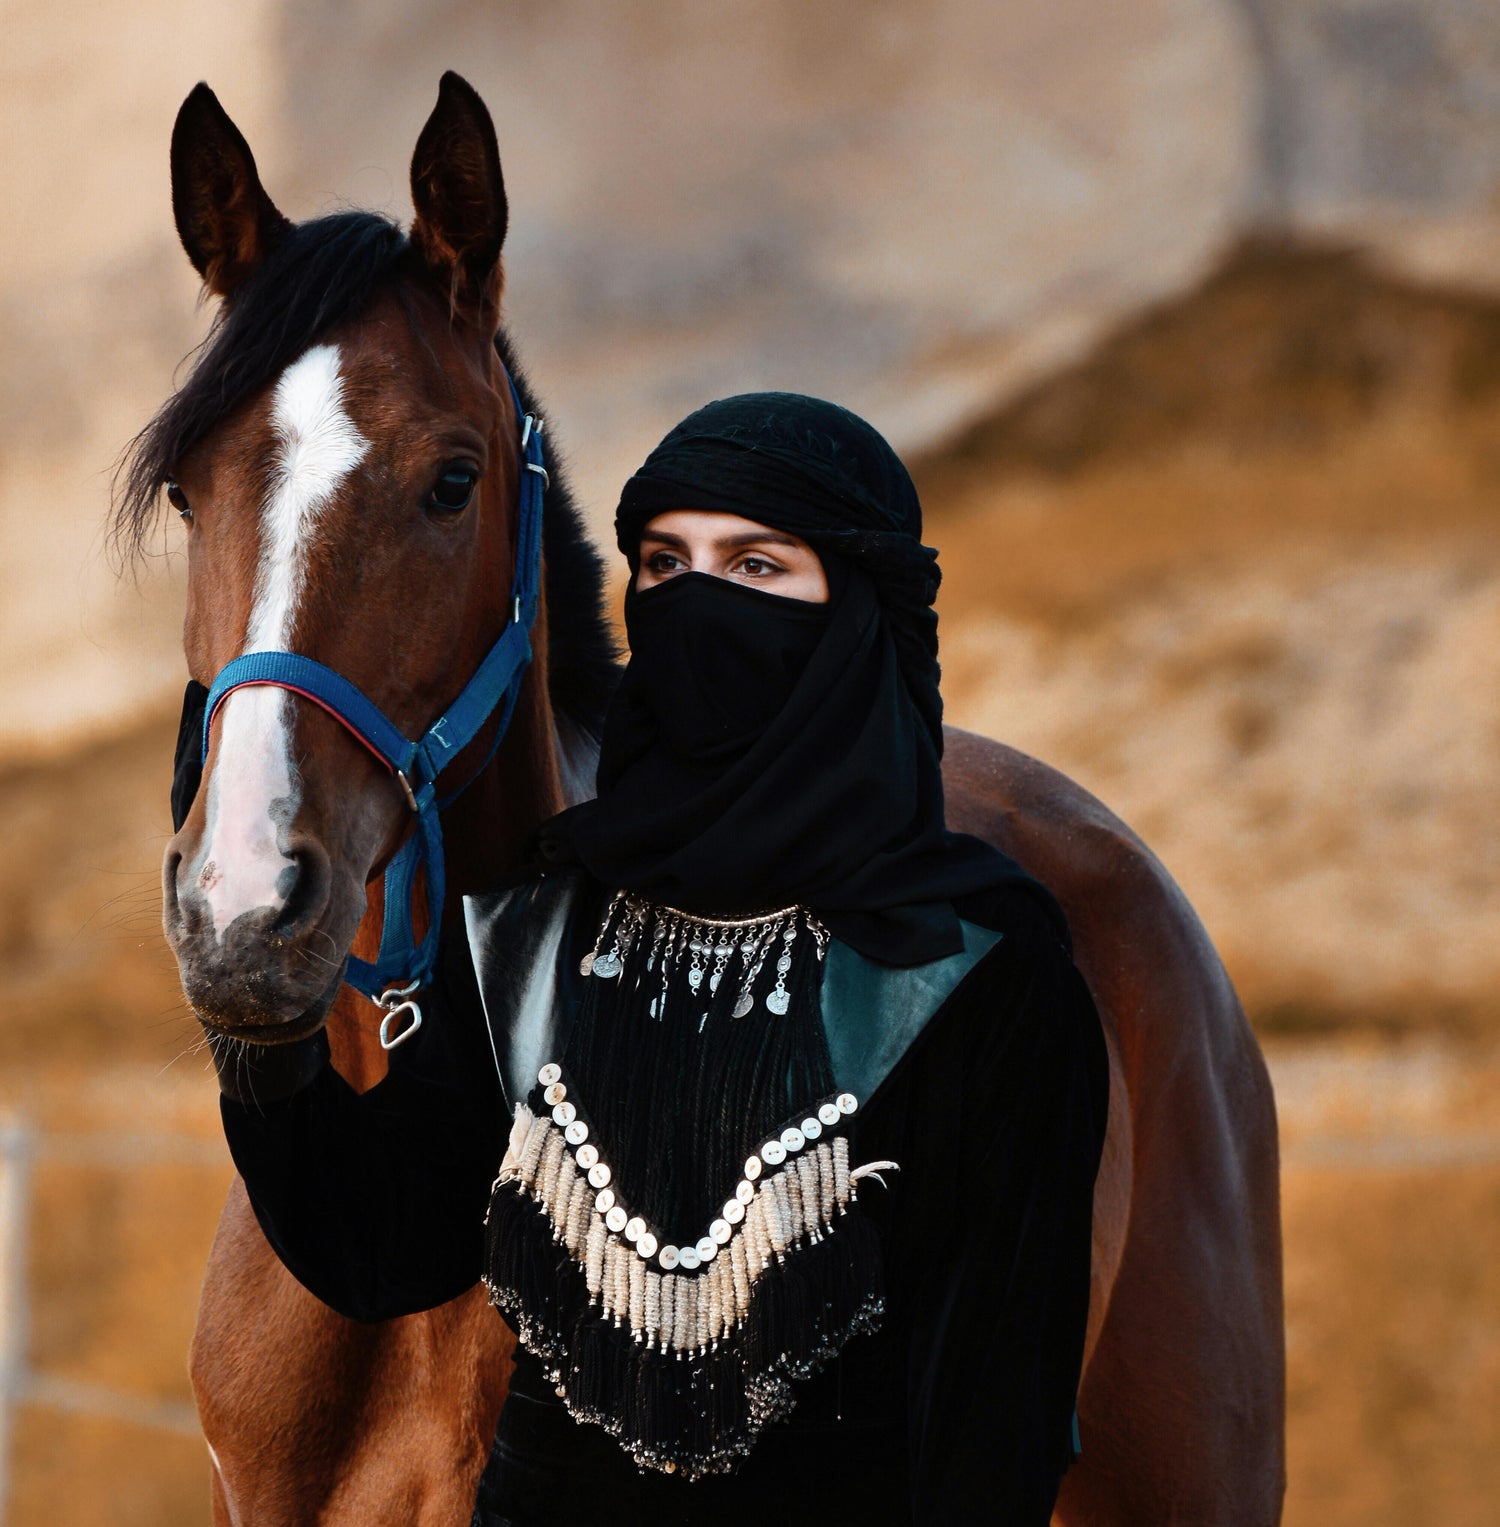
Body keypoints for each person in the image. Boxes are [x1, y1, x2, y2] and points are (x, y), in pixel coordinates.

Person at [178, 393, 1109, 1525]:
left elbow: (990, 1442)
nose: (699, 603)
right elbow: (386, 1245)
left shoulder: (980, 973)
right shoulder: (533, 920)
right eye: (666, 564)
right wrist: (255, 1023)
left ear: (862, 615)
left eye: (757, 567)